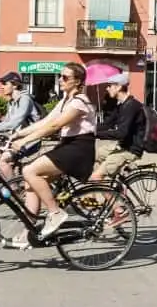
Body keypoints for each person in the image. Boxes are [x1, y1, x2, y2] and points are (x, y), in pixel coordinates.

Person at [8, 63, 97, 242]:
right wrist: (18, 134)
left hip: (79, 150)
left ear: (77, 81)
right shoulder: (66, 100)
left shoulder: (79, 102)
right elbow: (46, 121)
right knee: (30, 184)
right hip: (68, 146)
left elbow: (55, 125)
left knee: (29, 171)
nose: (60, 80)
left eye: (65, 77)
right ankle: (29, 233)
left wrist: (25, 142)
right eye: (60, 76)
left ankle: (55, 213)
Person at [0, 72, 42, 182]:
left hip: (29, 141)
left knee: (0, 160)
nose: (1, 86)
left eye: (4, 83)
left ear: (15, 85)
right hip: (16, 139)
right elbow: (7, 122)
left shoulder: (25, 99)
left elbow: (15, 122)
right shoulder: (12, 102)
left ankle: (14, 190)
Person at [91, 72, 146, 182]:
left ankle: (115, 198)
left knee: (95, 177)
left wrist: (95, 134)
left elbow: (121, 133)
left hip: (130, 151)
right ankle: (97, 193)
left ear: (119, 87)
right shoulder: (121, 105)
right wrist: (86, 129)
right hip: (122, 146)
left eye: (109, 86)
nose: (107, 89)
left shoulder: (131, 106)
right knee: (92, 156)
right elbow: (107, 124)